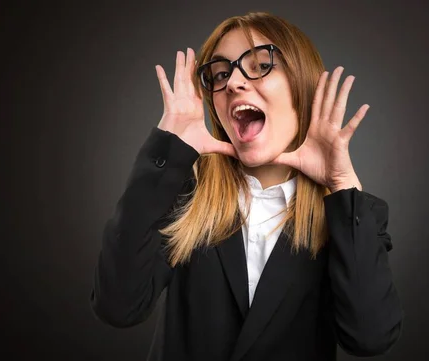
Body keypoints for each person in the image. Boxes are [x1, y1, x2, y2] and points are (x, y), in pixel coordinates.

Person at [90, 11, 403, 361]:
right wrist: (166, 150)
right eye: (221, 74)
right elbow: (118, 307)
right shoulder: (184, 199)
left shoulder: (348, 217)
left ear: (301, 84)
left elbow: (370, 338)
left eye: (259, 66)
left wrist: (342, 186)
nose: (234, 83)